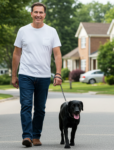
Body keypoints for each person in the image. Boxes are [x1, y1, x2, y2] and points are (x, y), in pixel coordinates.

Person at [12, 2, 62, 147]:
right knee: (26, 105)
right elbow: (16, 53)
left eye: (41, 12)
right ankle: (27, 136)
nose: (38, 15)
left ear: (44, 15)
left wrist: (58, 74)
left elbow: (57, 55)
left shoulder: (51, 31)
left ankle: (36, 136)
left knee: (40, 108)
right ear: (31, 14)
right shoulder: (23, 31)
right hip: (25, 74)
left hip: (44, 76)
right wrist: (14, 75)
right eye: (36, 12)